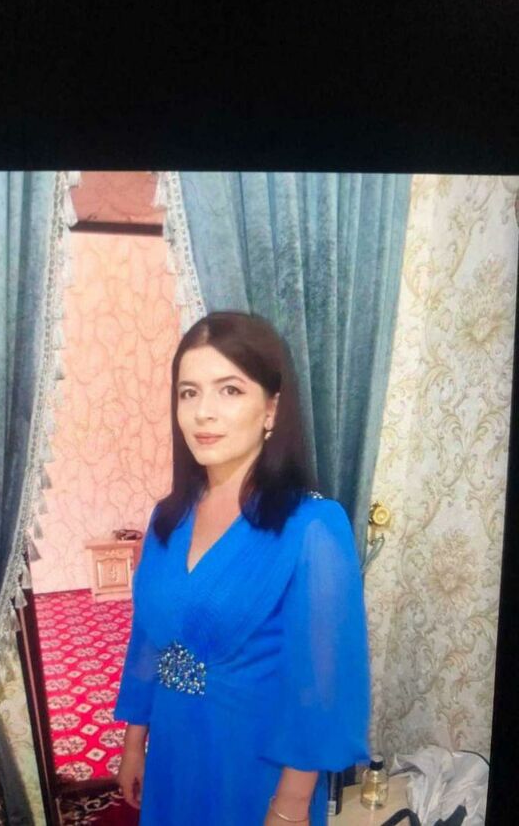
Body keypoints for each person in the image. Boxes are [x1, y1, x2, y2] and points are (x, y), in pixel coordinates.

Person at [114, 311, 370, 826]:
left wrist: (291, 805)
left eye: (229, 390)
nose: (203, 412)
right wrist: (134, 743)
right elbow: (147, 641)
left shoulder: (312, 526)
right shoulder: (167, 518)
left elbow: (320, 684)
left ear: (271, 408)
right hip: (174, 750)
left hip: (255, 764)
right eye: (188, 393)